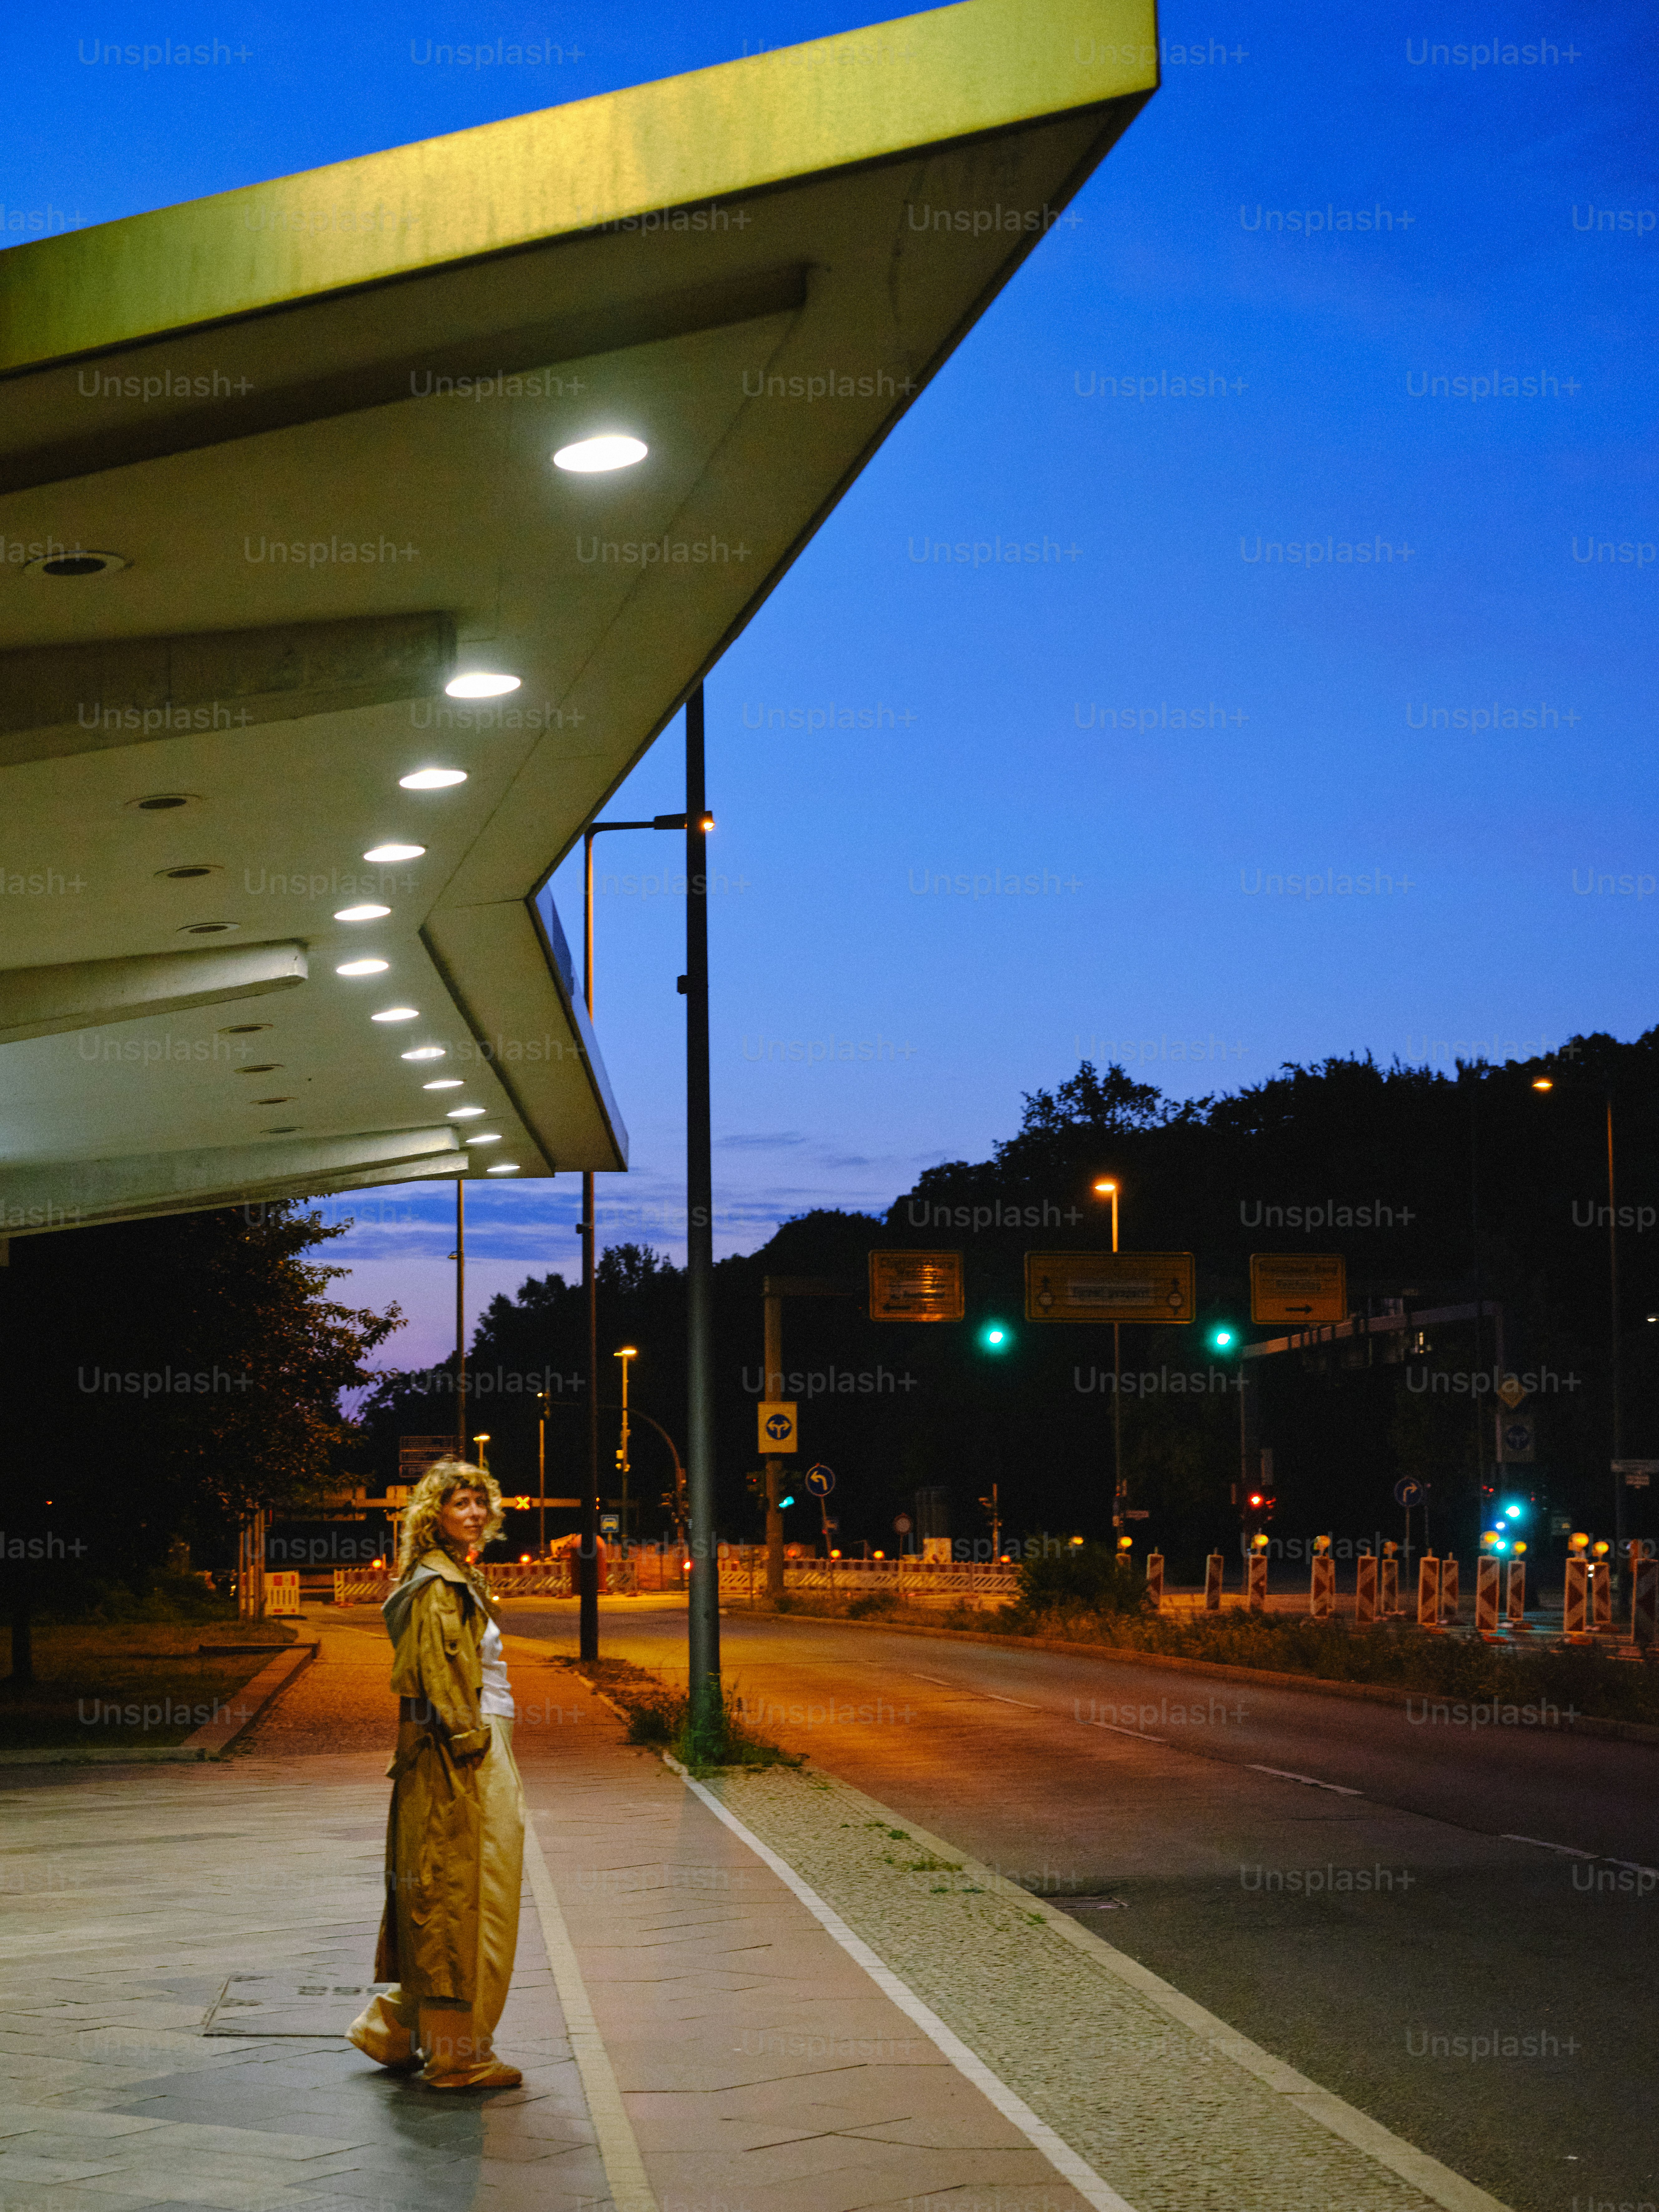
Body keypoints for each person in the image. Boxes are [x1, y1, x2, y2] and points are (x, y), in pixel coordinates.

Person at [346, 1459, 525, 2089]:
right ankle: (457, 2057)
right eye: (460, 1503)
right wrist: (471, 1747)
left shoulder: (452, 1573)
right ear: (435, 1514)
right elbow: (439, 1679)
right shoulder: (440, 1584)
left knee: (447, 1892)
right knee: (472, 1898)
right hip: (465, 1751)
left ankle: (394, 2030)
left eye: (481, 1501)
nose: (475, 1512)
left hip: (469, 1743)